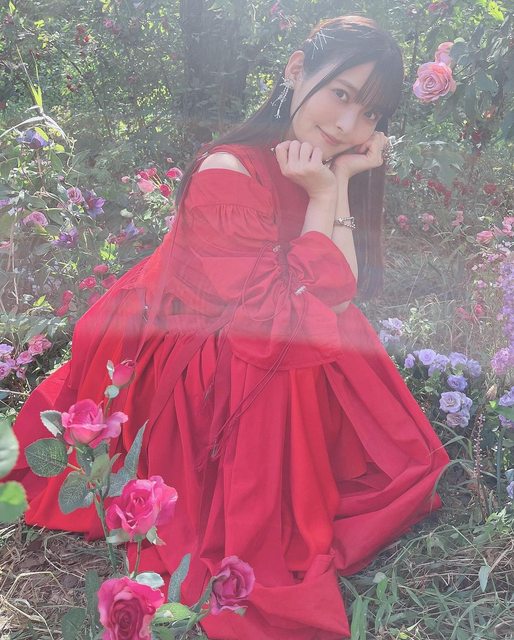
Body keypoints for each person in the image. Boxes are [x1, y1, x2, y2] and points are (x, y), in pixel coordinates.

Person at [9, 15, 450, 640]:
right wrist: (323, 194)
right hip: (186, 344)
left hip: (259, 325)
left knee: (331, 332)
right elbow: (283, 320)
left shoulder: (314, 163)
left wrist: (337, 186)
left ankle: (309, 478)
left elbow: (336, 290)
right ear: (296, 70)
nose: (347, 124)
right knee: (291, 355)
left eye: (370, 112)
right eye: (340, 93)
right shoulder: (228, 171)